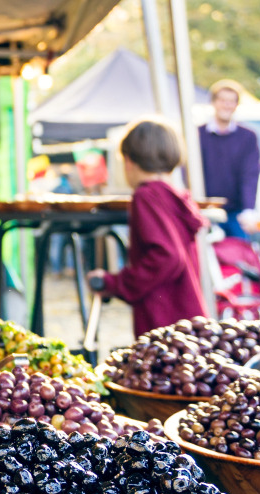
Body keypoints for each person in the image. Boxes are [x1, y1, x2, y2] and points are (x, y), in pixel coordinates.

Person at [87, 118, 206, 336]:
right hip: (186, 318)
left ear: (129, 161)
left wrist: (115, 283)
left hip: (162, 324)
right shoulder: (175, 195)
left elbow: (167, 256)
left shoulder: (146, 196)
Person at [197, 80, 260, 239]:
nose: (227, 105)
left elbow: (250, 174)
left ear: (236, 105)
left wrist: (248, 210)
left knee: (241, 256)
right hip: (204, 210)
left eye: (231, 101)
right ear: (213, 102)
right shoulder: (198, 134)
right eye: (222, 100)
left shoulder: (248, 137)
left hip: (235, 212)